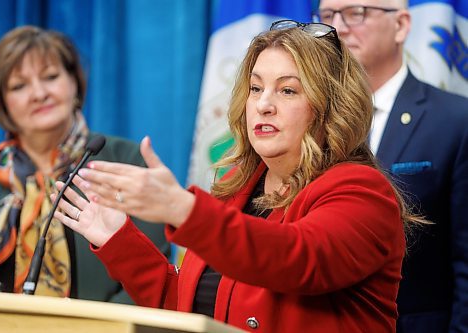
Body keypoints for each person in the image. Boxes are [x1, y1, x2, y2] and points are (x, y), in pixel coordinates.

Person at [53, 21, 426, 332]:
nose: (263, 103)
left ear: (331, 107)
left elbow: (295, 258)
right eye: (256, 88)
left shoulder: (362, 192)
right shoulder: (232, 193)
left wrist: (185, 211)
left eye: (288, 90)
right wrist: (119, 239)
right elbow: (188, 310)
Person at [0, 26, 170, 303]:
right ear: (2, 104)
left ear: (75, 83)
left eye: (50, 77)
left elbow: (153, 273)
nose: (39, 93)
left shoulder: (127, 161)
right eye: (19, 86)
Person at [316, 1, 468, 332]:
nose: (339, 28)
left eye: (356, 13)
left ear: (400, 25)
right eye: (328, 16)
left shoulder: (456, 121)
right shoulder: (309, 121)